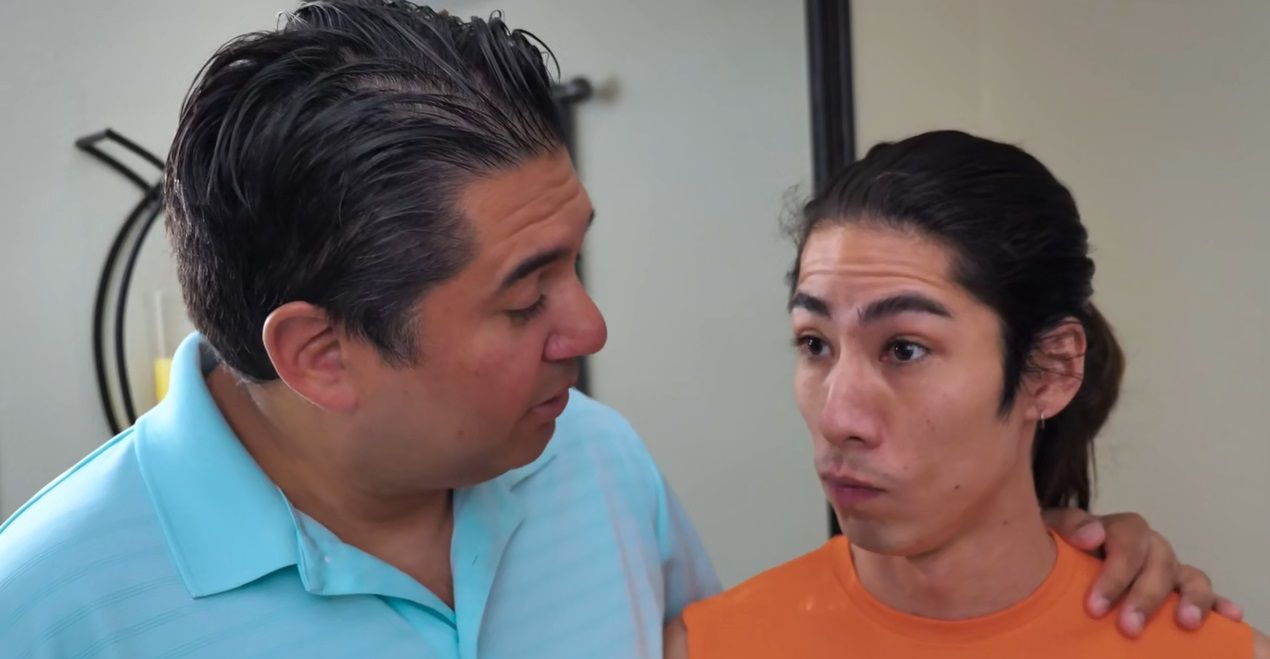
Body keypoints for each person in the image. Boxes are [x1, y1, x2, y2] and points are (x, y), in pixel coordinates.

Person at [0, 4, 1237, 657]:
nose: (589, 324)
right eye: (525, 294)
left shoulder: (593, 463)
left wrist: (1057, 564)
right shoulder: (46, 609)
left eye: (575, 259)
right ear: (321, 355)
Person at [667, 130, 1268, 658]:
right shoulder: (707, 647)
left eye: (905, 348)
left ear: (1052, 371)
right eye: (815, 344)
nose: (838, 417)